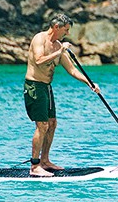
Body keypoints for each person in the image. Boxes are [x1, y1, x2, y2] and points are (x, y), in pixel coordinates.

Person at [23, 12, 99, 177]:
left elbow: (72, 70)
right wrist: (59, 52)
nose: (67, 34)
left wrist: (90, 83)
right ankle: (34, 166)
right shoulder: (39, 39)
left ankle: (45, 161)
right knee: (42, 125)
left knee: (52, 123)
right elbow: (39, 60)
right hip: (34, 86)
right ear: (56, 27)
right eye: (65, 30)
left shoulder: (59, 47)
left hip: (47, 88)